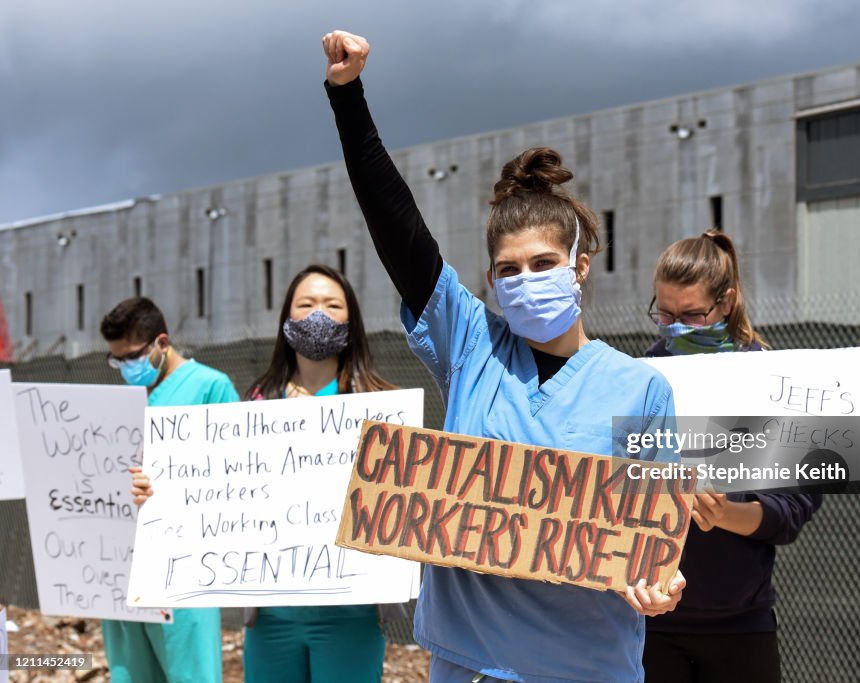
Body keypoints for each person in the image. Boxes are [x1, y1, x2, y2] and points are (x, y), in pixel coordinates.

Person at [322, 30, 685, 683]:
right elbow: (398, 228)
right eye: (508, 269)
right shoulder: (471, 345)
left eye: (543, 263)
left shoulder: (642, 389)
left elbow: (654, 535)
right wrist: (348, 98)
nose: (525, 278)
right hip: (470, 665)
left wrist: (660, 577)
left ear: (580, 265)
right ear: (489, 281)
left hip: (589, 665)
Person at [131, 266, 396, 683]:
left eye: (332, 305)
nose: (318, 315)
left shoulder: (380, 404)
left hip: (351, 613)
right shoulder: (256, 404)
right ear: (287, 319)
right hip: (271, 618)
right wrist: (157, 492)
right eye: (306, 305)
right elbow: (214, 493)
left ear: (352, 319)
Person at [641, 231, 822, 683]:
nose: (674, 328)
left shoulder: (774, 380)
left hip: (741, 626)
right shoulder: (643, 377)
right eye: (664, 314)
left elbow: (789, 517)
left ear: (726, 303)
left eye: (691, 315)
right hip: (651, 623)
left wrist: (722, 513)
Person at [100, 296, 239, 683]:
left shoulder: (211, 387)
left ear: (162, 343)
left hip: (185, 571)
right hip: (120, 569)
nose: (126, 368)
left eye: (131, 357)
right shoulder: (118, 403)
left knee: (189, 672)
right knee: (130, 672)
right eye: (117, 361)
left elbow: (237, 480)